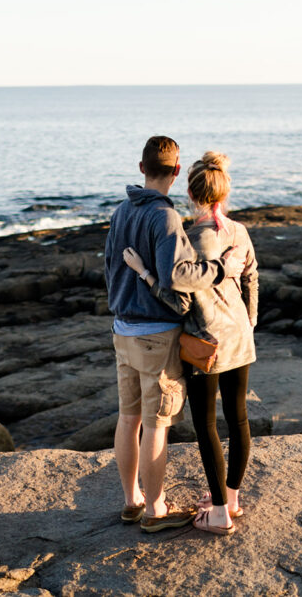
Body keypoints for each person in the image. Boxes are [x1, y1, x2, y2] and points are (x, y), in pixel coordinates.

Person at [104, 136, 243, 533]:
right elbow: (176, 277)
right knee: (156, 422)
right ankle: (155, 510)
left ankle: (132, 501)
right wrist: (220, 270)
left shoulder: (120, 212)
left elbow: (111, 270)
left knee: (128, 417)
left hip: (122, 329)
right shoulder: (165, 217)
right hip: (156, 333)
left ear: (141, 167)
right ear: (178, 171)